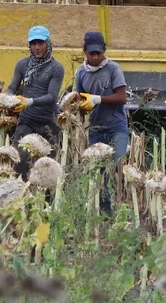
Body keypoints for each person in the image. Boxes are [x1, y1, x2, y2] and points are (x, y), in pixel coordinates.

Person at [68, 31, 128, 214]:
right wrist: (82, 105)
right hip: (96, 129)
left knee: (118, 167)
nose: (95, 57)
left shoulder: (113, 69)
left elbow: (122, 97)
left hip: (117, 126)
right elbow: (77, 99)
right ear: (84, 51)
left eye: (98, 53)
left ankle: (122, 209)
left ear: (104, 51)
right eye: (91, 53)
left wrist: (98, 99)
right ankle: (105, 212)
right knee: (99, 171)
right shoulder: (81, 73)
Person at [7, 26, 65, 180]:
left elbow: (52, 96)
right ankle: (19, 197)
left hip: (49, 122)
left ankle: (48, 202)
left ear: (48, 43)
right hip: (28, 121)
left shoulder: (56, 68)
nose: (37, 47)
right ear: (29, 45)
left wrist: (29, 102)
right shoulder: (22, 65)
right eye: (33, 43)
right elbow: (12, 87)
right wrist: (8, 99)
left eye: (41, 43)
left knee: (49, 169)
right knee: (18, 162)